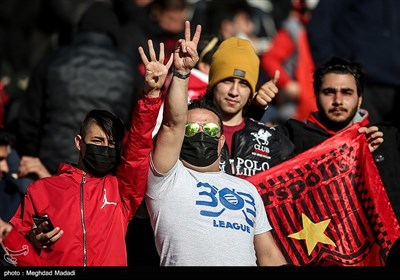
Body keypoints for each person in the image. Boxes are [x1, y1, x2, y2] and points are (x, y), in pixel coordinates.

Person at [2, 36, 168, 266]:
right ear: (79, 142)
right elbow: (13, 249)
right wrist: (32, 239)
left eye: (112, 145)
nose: (105, 148)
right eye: (98, 141)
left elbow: (138, 150)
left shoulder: (121, 190)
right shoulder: (42, 190)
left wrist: (151, 95)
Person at [143, 20, 287, 266]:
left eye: (210, 129)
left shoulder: (248, 189)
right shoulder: (167, 178)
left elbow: (269, 254)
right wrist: (181, 73)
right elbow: (171, 125)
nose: (201, 134)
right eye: (192, 128)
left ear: (220, 141)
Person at [16, 1, 138, 176]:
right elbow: (136, 127)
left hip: (51, 165)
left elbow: (29, 120)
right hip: (101, 168)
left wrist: (35, 156)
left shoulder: (53, 59)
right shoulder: (128, 68)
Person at [280, 57, 397, 222]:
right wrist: (256, 109)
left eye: (346, 92)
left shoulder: (386, 139)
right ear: (316, 96)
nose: (338, 101)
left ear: (360, 99)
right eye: (329, 92)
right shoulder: (293, 137)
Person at [204, 36, 295, 177]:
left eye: (243, 84)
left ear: (252, 91)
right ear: (212, 85)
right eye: (227, 81)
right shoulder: (188, 130)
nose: (234, 92)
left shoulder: (272, 142)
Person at [307, 0, 400, 130]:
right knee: (360, 145)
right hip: (360, 85)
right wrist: (334, 71)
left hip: (396, 87)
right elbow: (319, 26)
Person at [259, 0, 316, 126]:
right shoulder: (293, 30)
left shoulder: (322, 31)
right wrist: (287, 83)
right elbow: (270, 59)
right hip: (295, 108)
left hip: (311, 106)